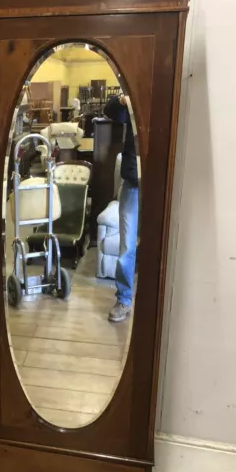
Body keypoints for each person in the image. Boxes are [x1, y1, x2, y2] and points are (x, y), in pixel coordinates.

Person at [103, 94, 139, 323]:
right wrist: (124, 99)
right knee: (126, 248)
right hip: (132, 185)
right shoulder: (133, 105)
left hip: (161, 186)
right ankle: (124, 299)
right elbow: (110, 110)